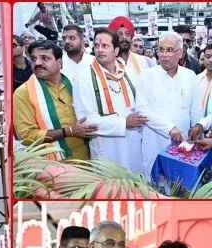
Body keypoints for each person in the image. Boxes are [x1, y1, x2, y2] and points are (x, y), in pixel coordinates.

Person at [73, 28, 145, 173]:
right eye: (97, 45)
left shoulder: (128, 72)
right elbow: (85, 122)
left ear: (116, 50)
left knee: (135, 187)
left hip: (133, 145)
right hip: (106, 149)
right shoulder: (83, 77)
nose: (99, 50)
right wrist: (124, 123)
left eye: (105, 46)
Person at [13, 40, 96, 160]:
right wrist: (69, 131)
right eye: (34, 59)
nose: (38, 63)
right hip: (54, 168)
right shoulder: (23, 93)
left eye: (45, 58)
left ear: (60, 63)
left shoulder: (74, 84)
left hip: (89, 160)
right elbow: (27, 137)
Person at [136, 31, 196, 180]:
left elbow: (194, 110)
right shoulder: (146, 76)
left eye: (169, 50)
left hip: (183, 144)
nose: (164, 55)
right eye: (161, 50)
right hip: (155, 142)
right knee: (157, 188)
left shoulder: (190, 76)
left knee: (180, 187)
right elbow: (142, 111)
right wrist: (169, 128)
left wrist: (197, 128)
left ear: (180, 53)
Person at [108, 16, 155, 81]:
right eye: (120, 34)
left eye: (127, 34)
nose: (124, 37)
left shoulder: (144, 61)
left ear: (131, 37)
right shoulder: (108, 62)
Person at [189, 45, 212, 138]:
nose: (211, 60)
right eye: (208, 56)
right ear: (203, 58)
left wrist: (202, 124)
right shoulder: (197, 79)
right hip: (197, 133)